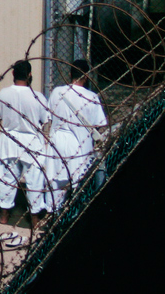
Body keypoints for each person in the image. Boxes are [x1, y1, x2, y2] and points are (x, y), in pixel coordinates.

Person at [45, 59, 107, 213]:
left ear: (70, 73)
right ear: (86, 76)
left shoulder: (57, 92)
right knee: (78, 184)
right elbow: (100, 125)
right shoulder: (92, 97)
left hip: (57, 141)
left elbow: (49, 117)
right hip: (80, 145)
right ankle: (73, 215)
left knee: (56, 181)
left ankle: (53, 215)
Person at [0, 60, 50, 227]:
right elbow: (45, 120)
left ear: (12, 74)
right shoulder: (37, 97)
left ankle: (4, 216)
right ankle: (34, 219)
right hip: (31, 141)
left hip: (9, 139)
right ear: (30, 75)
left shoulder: (3, 94)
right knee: (35, 181)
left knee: (7, 179)